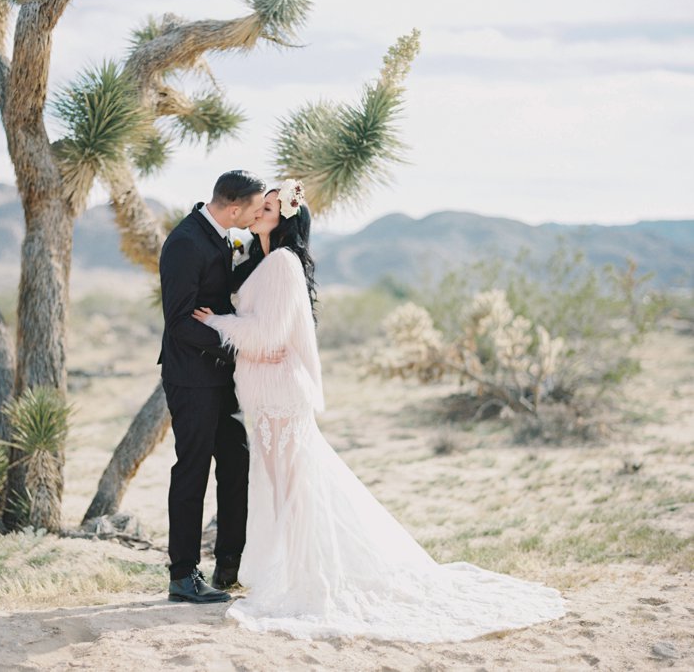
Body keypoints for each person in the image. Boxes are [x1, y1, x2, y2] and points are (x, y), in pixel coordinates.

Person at [192, 180, 566, 641]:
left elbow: (268, 337)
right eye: (260, 206)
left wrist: (219, 323)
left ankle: (308, 581)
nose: (258, 212)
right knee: (283, 485)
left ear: (284, 219)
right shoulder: (262, 263)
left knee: (295, 487)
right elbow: (266, 336)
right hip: (263, 395)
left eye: (268, 208)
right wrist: (248, 337)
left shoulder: (283, 264)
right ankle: (290, 572)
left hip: (281, 396)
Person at [159, 170, 266, 604]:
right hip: (191, 377)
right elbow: (180, 321)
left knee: (236, 464)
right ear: (235, 207)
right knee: (192, 471)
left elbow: (224, 294)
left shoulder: (221, 236)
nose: (259, 213)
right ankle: (183, 575)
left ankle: (228, 566)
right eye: (257, 207)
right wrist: (240, 347)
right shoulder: (185, 242)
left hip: (219, 378)